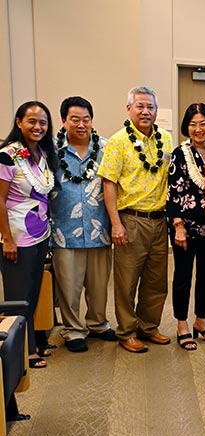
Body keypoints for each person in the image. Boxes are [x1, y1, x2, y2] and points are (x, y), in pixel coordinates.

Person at [98, 86, 173, 353]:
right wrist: (116, 223)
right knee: (127, 280)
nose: (145, 111)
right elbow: (108, 183)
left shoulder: (165, 138)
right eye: (140, 106)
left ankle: (148, 327)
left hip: (159, 220)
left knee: (156, 280)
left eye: (150, 106)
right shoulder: (118, 141)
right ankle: (127, 331)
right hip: (131, 219)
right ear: (129, 109)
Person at [49, 96, 118, 353]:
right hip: (64, 229)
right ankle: (74, 330)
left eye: (86, 119)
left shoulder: (106, 147)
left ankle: (98, 323)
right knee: (69, 285)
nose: (81, 124)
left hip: (99, 227)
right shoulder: (52, 152)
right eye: (74, 119)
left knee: (99, 284)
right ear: (64, 120)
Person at [0, 101, 57, 368]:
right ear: (19, 122)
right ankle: (20, 353)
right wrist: (7, 239)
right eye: (32, 121)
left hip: (39, 234)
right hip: (16, 237)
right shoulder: (7, 155)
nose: (38, 127)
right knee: (17, 298)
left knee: (34, 293)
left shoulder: (41, 154)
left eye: (43, 122)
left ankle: (33, 342)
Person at [167, 103, 205, 351]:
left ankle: (201, 320)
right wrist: (178, 226)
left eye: (203, 123)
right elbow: (173, 192)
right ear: (186, 127)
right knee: (183, 277)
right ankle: (182, 325)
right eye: (193, 124)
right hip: (184, 229)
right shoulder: (180, 152)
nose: (198, 129)